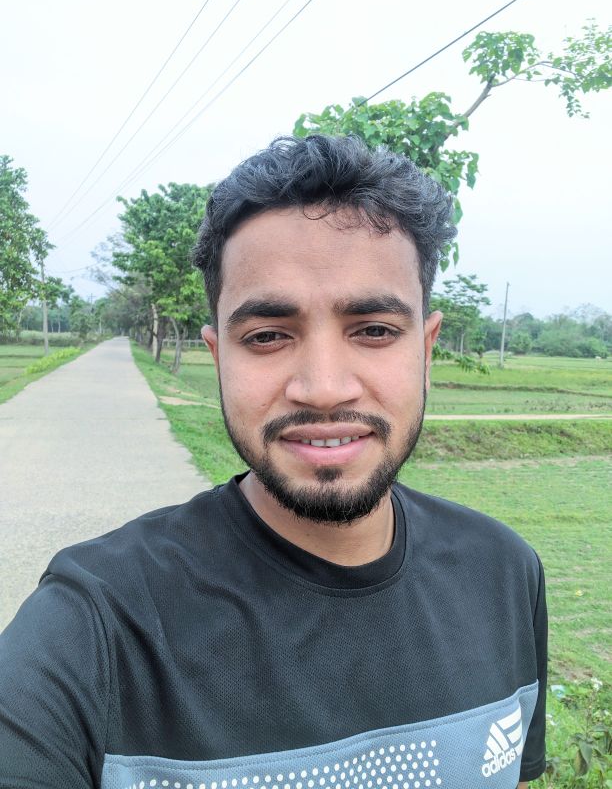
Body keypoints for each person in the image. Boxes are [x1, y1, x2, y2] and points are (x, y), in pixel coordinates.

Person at [0, 135, 546, 788]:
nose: (323, 388)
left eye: (374, 330)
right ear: (218, 357)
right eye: (266, 336)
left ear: (426, 350)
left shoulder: (504, 573)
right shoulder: (93, 629)